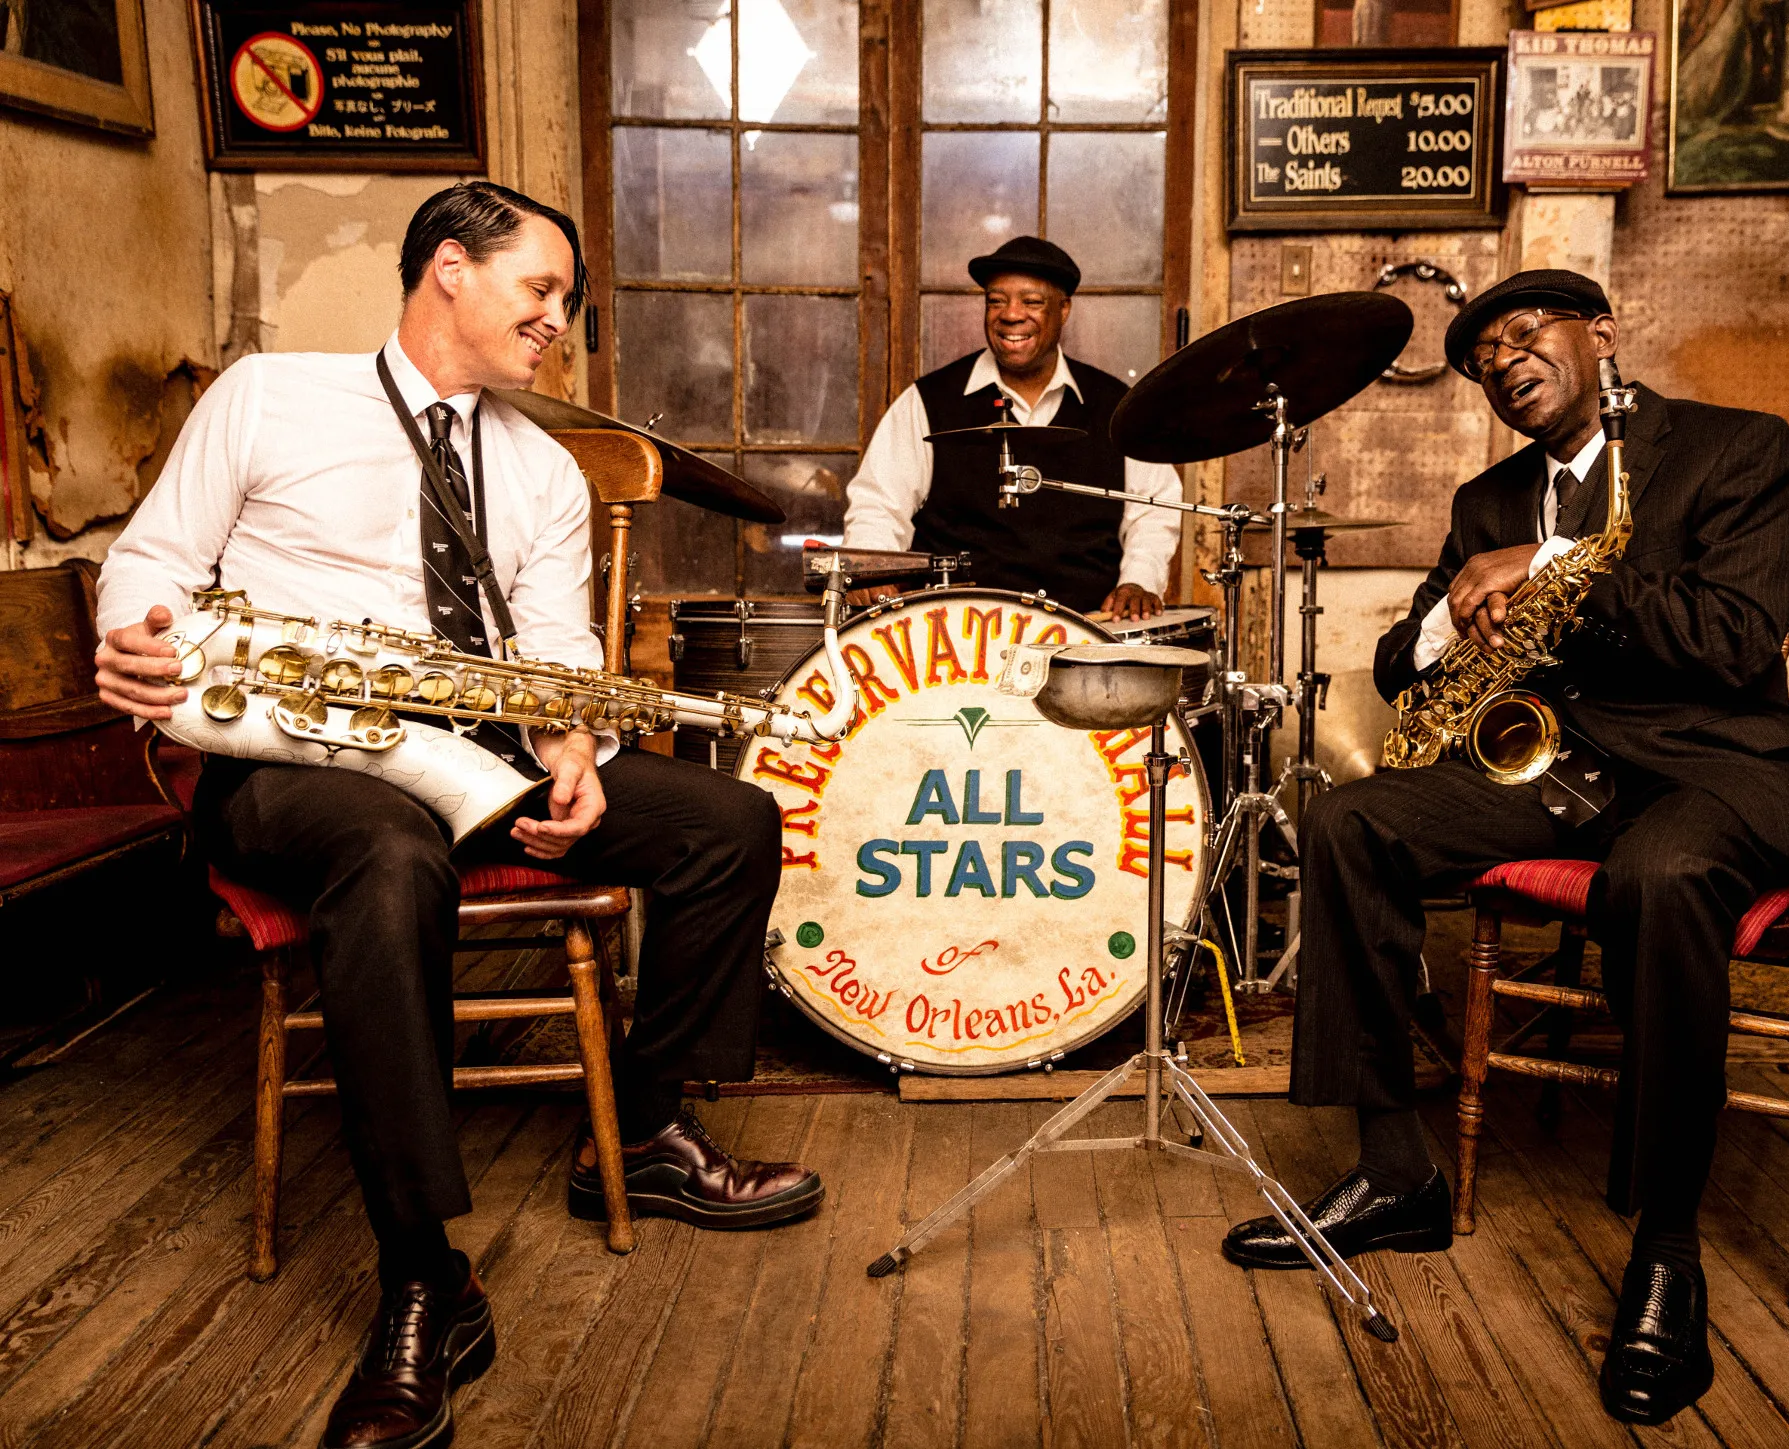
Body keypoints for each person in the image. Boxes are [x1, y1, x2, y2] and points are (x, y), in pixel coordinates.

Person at [92, 182, 822, 1449]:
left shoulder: (539, 468)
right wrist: (139, 639)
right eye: (541, 289)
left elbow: (552, 652)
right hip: (292, 753)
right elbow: (150, 562)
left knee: (731, 824)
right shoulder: (267, 398)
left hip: (477, 746)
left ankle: (643, 1125)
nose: (557, 320)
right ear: (448, 269)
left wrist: (573, 750)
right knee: (389, 856)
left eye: (566, 301)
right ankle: (426, 1276)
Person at [1219, 269, 1789, 1426]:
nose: (1505, 362)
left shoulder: (1732, 447)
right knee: (1348, 821)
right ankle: (1393, 1170)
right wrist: (1445, 620)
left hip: (1711, 766)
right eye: (1484, 361)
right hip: (1553, 773)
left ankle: (1666, 1249)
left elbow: (1731, 639)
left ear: (1599, 333)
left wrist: (1558, 568)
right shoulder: (1488, 498)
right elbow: (1398, 666)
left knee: (1658, 875)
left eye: (1526, 334)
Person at [842, 235, 1181, 620]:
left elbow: (1154, 511)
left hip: (1088, 635)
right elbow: (878, 505)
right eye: (996, 301)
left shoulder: (1117, 406)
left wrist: (1139, 580)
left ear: (1064, 309)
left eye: (1032, 302)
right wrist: (870, 569)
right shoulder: (927, 400)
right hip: (952, 637)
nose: (1011, 314)